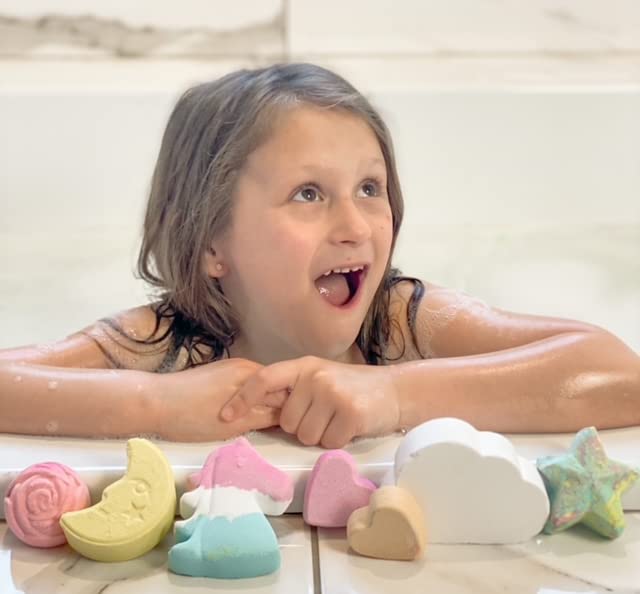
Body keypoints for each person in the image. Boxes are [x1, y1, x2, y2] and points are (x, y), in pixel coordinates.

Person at [1, 63, 638, 447]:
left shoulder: (399, 322)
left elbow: (618, 372)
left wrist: (393, 395)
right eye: (308, 194)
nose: (355, 226)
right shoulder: (171, 341)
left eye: (370, 188)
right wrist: (155, 406)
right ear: (212, 242)